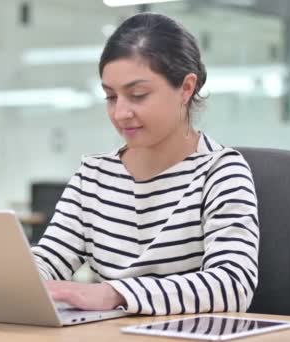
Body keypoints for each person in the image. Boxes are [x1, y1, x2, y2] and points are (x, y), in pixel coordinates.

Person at [31, 12, 259, 316]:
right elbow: (46, 260)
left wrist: (115, 293)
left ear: (186, 88)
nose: (120, 113)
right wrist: (18, 281)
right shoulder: (94, 177)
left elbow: (232, 285)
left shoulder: (221, 172)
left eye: (138, 95)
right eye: (111, 97)